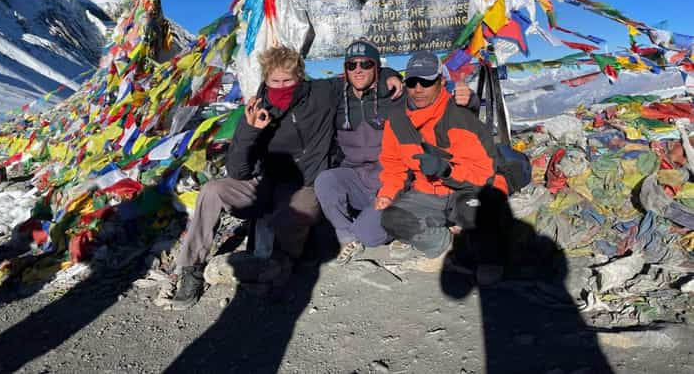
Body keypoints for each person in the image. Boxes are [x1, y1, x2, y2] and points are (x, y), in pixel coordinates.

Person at [169, 45, 402, 310]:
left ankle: (280, 263)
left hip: (305, 185)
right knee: (211, 191)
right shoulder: (258, 108)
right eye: (274, 81)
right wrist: (249, 130)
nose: (281, 87)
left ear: (300, 77)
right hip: (265, 182)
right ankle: (191, 267)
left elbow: (359, 75)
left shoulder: (322, 93)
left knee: (295, 214)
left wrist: (389, 75)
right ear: (265, 79)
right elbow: (238, 171)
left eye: (288, 81)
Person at [315, 40, 480, 265]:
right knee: (326, 181)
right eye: (352, 65)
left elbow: (439, 107)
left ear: (376, 67)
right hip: (357, 179)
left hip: (393, 182)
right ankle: (348, 238)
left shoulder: (397, 95)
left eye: (365, 64)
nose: (358, 69)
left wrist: (469, 102)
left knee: (370, 235)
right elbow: (302, 91)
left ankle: (407, 227)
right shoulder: (337, 97)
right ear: (345, 70)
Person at [376, 50, 509, 279]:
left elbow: (484, 173)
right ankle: (445, 245)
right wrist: (387, 194)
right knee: (391, 218)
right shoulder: (396, 121)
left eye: (426, 81)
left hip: (465, 188)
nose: (418, 88)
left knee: (474, 210)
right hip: (426, 192)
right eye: (412, 81)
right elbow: (393, 165)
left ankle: (489, 257)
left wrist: (445, 170)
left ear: (441, 81)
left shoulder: (459, 116)